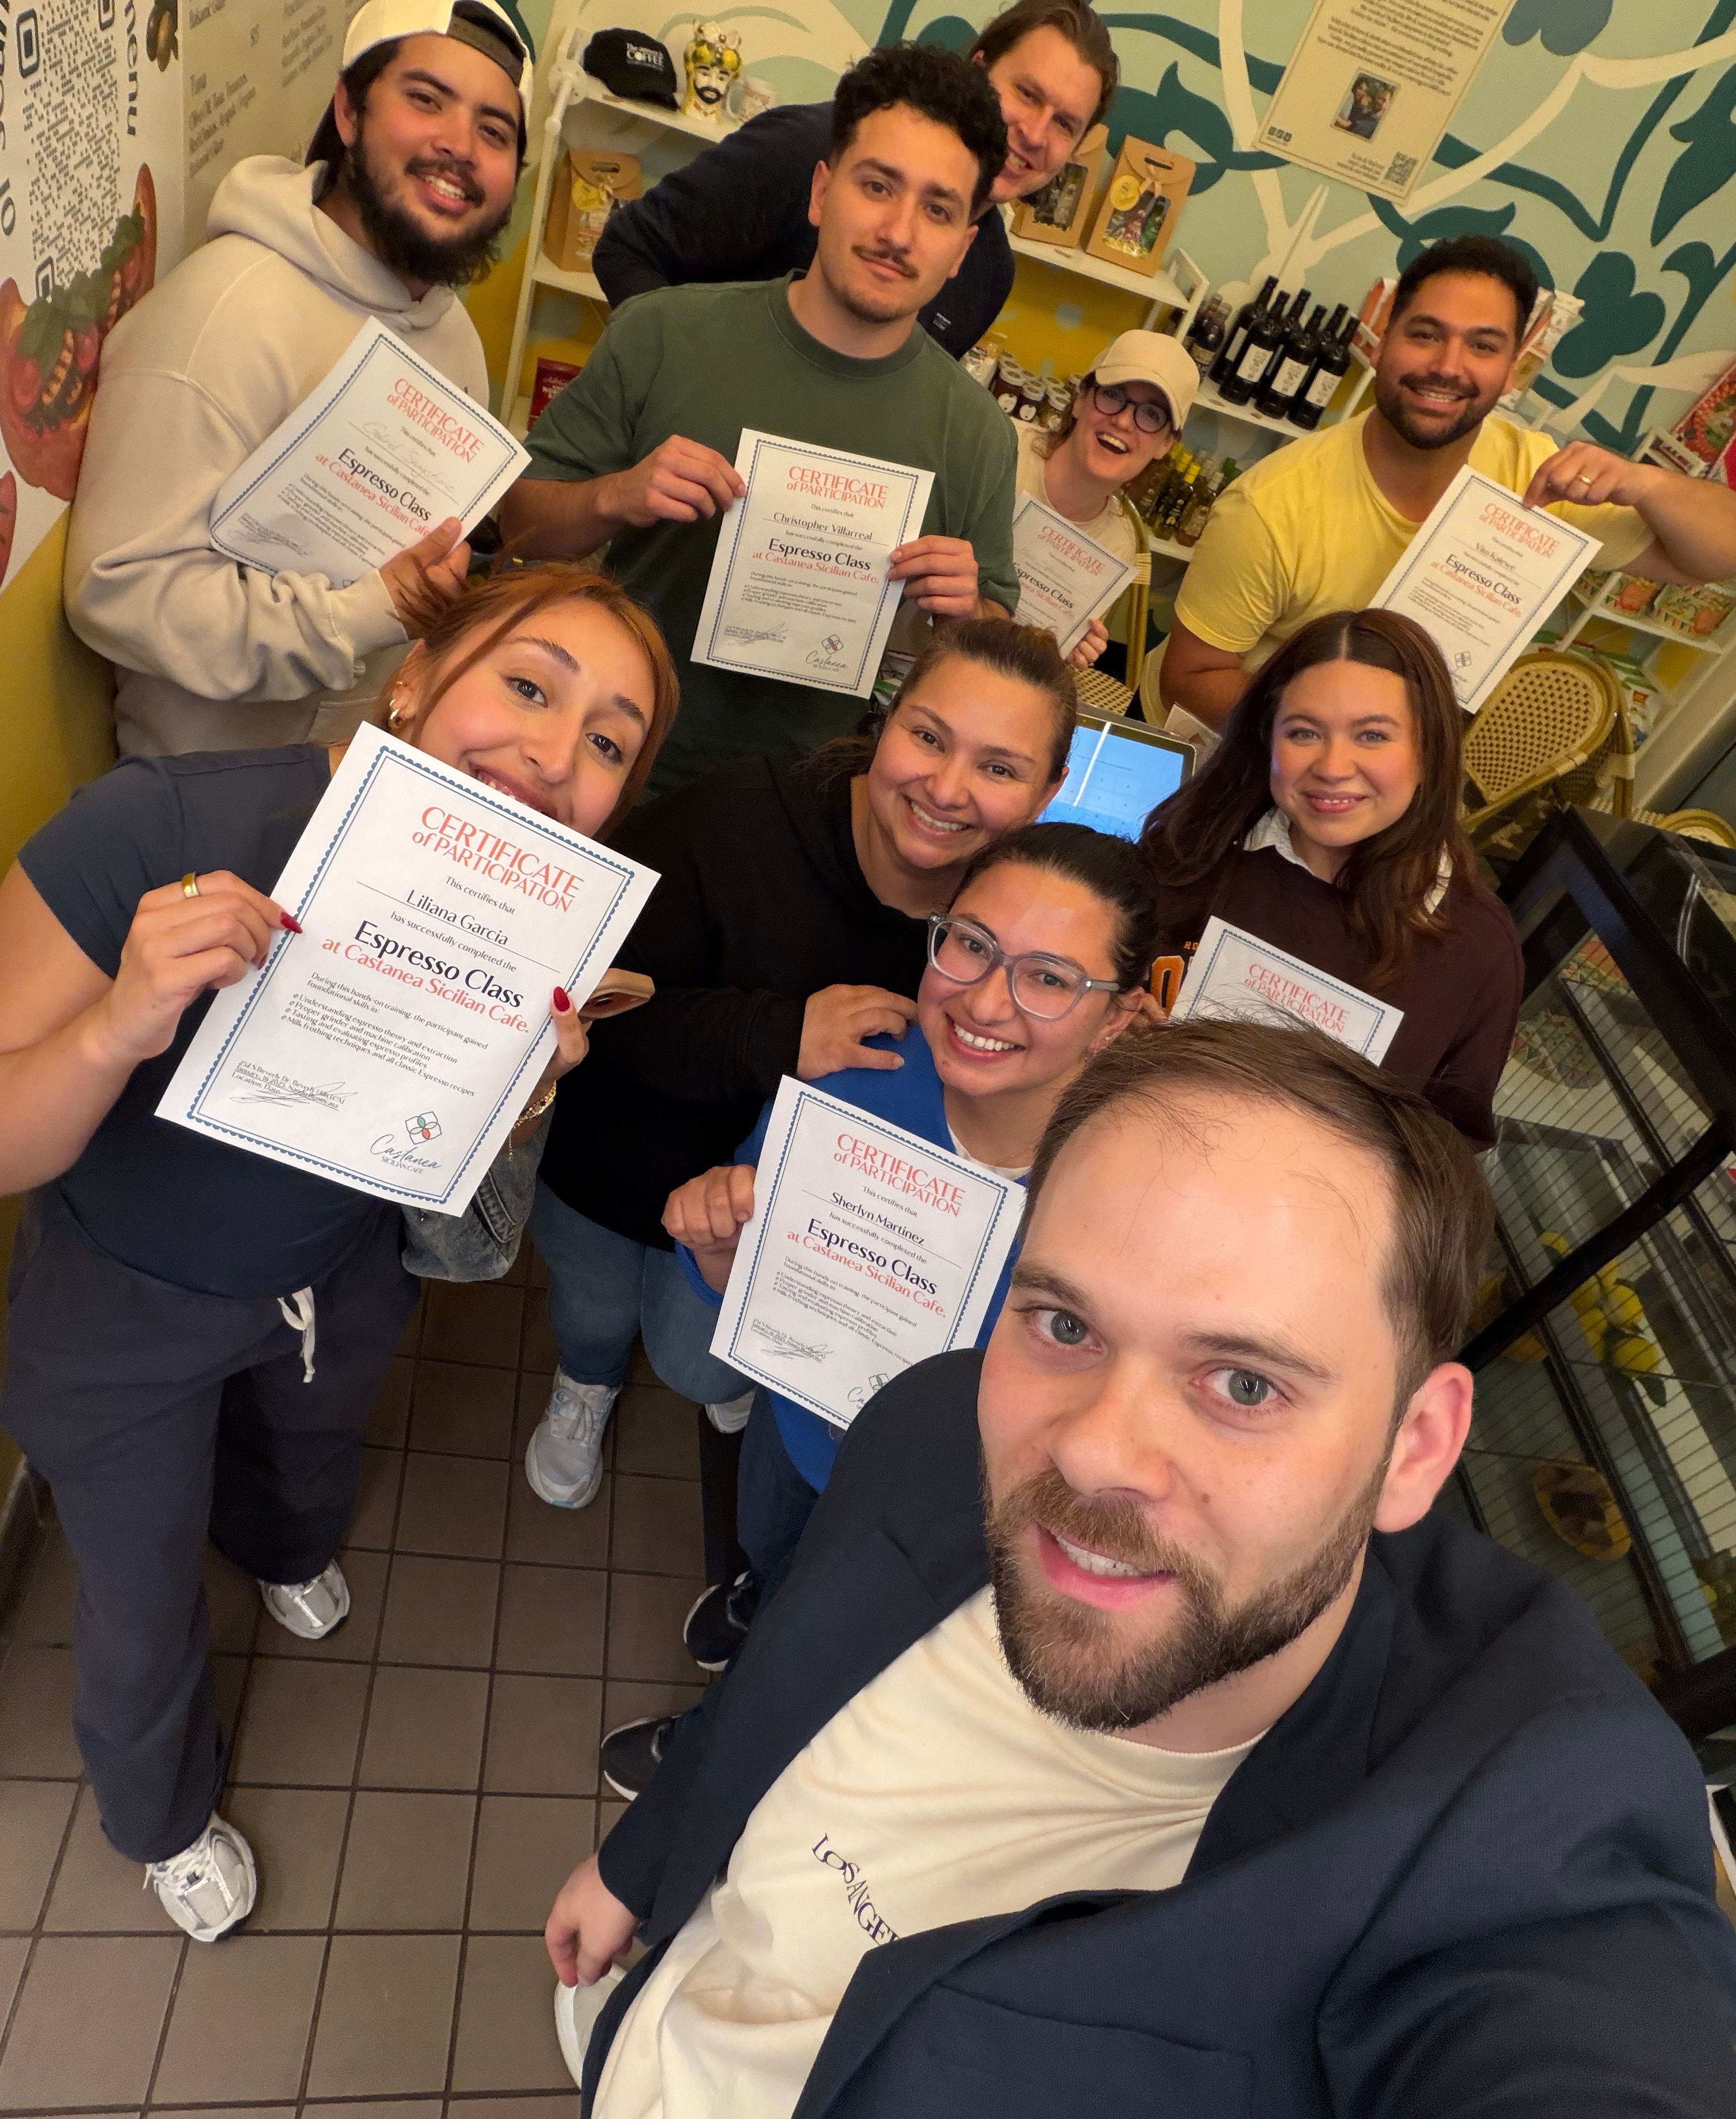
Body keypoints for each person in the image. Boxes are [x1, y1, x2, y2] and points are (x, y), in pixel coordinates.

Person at [545, 1022, 1736, 2116]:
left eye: (1243, 1383)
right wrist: (639, 1861)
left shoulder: (1497, 1833)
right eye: (1063, 1324)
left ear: (1412, 1447)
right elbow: (776, 1678)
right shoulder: (931, 1427)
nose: (1094, 1447)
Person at [0, 567, 677, 1939]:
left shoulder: (539, 932)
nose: (555, 756)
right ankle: (160, 1814)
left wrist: (520, 1098)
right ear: (417, 677)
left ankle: (282, 1542)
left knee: (309, 1454)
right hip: (120, 1300)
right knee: (135, 1603)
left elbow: (455, 1213)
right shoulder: (162, 823)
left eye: (609, 741)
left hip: (334, 1271)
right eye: (529, 684)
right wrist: (119, 1024)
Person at [597, 821, 1160, 1796]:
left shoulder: (1127, 1205)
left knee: (823, 1652)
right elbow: (752, 1282)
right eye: (972, 944)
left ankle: (717, 1748)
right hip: (799, 1431)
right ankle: (760, 1593)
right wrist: (720, 1257)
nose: (986, 1000)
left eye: (1050, 979)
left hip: (936, 1515)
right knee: (770, 1542)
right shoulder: (861, 1072)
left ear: (1120, 1018)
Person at [522, 618, 1076, 1513]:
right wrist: (780, 1034)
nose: (946, 788)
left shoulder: (1010, 917)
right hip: (612, 1161)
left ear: (1049, 791)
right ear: (884, 721)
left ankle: (750, 1369)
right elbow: (586, 1005)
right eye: (927, 736)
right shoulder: (734, 819)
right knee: (589, 1310)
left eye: (999, 767)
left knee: (697, 1362)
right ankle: (585, 1383)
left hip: (782, 1213)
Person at [495, 42, 1022, 799]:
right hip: (601, 780)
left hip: (801, 815)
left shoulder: (977, 435)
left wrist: (968, 614)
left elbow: (986, 659)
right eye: (878, 186)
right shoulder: (662, 333)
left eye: (937, 210)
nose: (899, 232)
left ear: (963, 249)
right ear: (820, 193)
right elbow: (518, 523)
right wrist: (615, 496)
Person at [64, 0, 531, 759]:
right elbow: (118, 592)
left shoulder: (455, 340)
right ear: (348, 113)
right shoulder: (227, 309)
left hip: (346, 794)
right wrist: (361, 614)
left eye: (495, 132)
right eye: (426, 100)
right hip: (196, 814)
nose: (459, 145)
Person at [1162, 233, 1736, 727]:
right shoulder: (1271, 506)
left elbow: (1714, 555)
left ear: (1513, 367)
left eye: (1483, 345)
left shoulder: (1535, 478)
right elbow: (1188, 679)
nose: (1448, 366)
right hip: (1244, 749)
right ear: (1383, 338)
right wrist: (1324, 738)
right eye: (1426, 334)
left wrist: (1647, 485)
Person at [1143, 608, 1520, 1148]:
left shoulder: (1477, 950)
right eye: (1304, 732)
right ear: (1266, 738)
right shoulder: (1190, 852)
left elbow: (1447, 1150)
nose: (1334, 766)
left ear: (1429, 749)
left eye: (1372, 736)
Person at [592, 0, 1120, 359]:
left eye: (1065, 124)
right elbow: (627, 249)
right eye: (1027, 94)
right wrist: (684, 382)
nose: (1034, 132)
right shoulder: (800, 150)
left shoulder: (988, 270)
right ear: (979, 68)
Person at [1017, 329, 1199, 671]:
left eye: (1151, 415)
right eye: (1114, 395)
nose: (1123, 421)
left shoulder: (1118, 546)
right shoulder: (1000, 448)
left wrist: (1064, 655)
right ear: (1082, 399)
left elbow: (1030, 667)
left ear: (1165, 445)